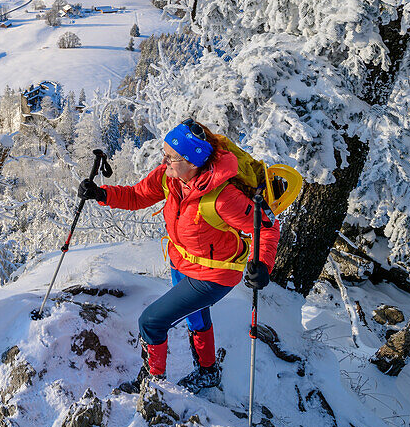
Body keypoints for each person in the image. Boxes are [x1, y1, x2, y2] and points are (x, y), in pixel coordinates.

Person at [78, 118, 279, 393]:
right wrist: (102, 193)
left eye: (171, 157)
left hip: (214, 273)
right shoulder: (168, 177)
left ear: (192, 161)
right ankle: (208, 371)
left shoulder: (223, 198)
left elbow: (266, 228)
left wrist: (263, 264)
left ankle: (152, 384)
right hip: (181, 259)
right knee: (195, 317)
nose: (164, 161)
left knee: (151, 321)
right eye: (165, 154)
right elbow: (137, 196)